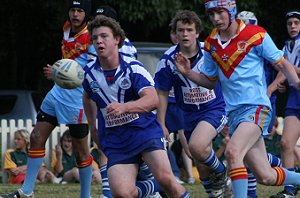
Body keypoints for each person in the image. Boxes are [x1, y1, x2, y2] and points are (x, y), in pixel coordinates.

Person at [174, 0, 300, 197]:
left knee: (232, 152)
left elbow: (282, 64)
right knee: (265, 176)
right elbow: (209, 81)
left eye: (220, 12)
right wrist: (188, 73)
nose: (216, 18)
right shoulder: (211, 44)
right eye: (211, 14)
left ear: (232, 11)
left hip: (256, 107)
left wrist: (298, 84)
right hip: (234, 114)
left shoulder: (255, 34)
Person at [82, 15, 190, 197]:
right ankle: (152, 187)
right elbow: (87, 96)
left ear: (116, 39)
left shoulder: (133, 68)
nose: (98, 41)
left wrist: (124, 107)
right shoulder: (90, 74)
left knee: (167, 180)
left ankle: (159, 184)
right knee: (122, 194)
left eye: (104, 36)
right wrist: (93, 126)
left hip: (144, 131)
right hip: (116, 139)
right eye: (95, 38)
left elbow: (153, 99)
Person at [0, 1, 94, 198]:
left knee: (81, 152)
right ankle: (26, 192)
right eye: (72, 10)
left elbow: (92, 71)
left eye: (80, 11)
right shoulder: (67, 28)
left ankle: (85, 196)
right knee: (35, 137)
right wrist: (60, 75)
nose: (75, 14)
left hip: (77, 99)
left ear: (87, 14)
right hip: (57, 93)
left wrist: (60, 73)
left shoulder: (91, 37)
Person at [154, 10, 228, 197]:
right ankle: (216, 194)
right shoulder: (167, 59)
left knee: (196, 145)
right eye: (181, 30)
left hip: (214, 108)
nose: (185, 34)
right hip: (188, 114)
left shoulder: (210, 52)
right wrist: (161, 123)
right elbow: (162, 92)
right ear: (175, 33)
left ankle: (221, 171)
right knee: (200, 161)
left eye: (189, 30)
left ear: (197, 33)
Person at [269, 11, 300, 198]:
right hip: (294, 98)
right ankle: (290, 189)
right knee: (286, 143)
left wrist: (287, 68)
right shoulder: (287, 45)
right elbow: (285, 69)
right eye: (290, 23)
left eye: (296, 22)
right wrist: (283, 80)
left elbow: (288, 67)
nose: (293, 26)